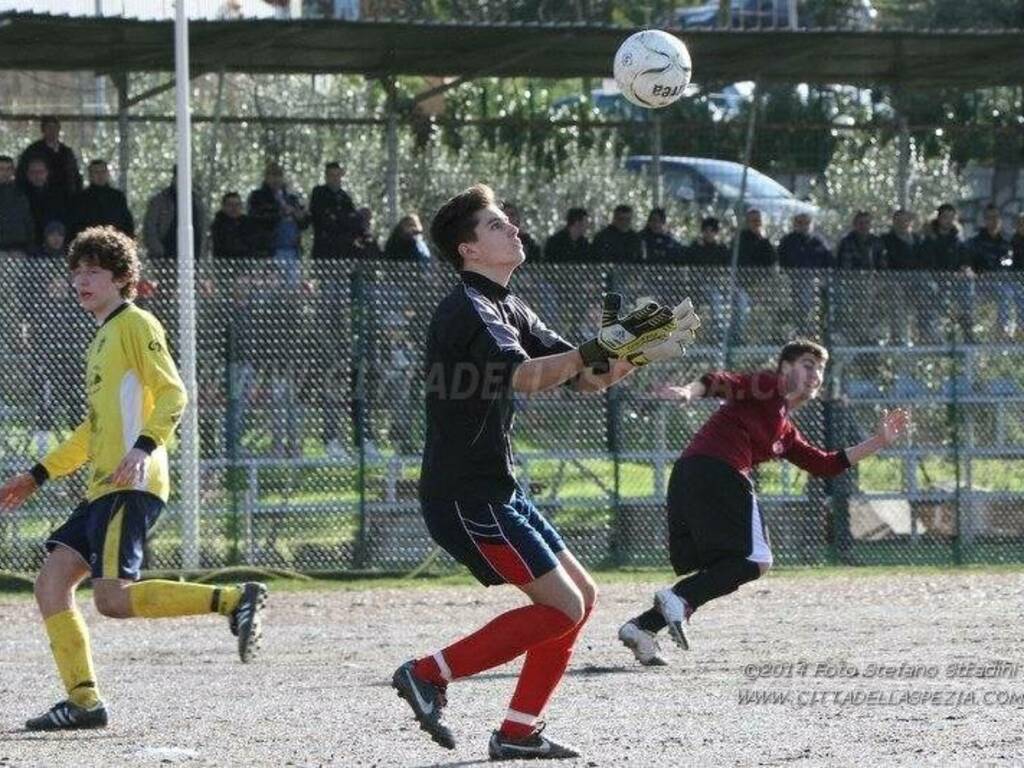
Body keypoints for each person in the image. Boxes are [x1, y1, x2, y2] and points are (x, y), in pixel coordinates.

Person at [391, 183, 696, 760]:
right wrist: (597, 346)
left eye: (509, 223)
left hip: (495, 487)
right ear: (468, 250)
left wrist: (632, 353)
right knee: (562, 607)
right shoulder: (470, 308)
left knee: (581, 595)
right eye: (496, 226)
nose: (513, 231)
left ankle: (518, 731)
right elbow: (528, 376)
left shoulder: (510, 304)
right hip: (466, 494)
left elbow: (584, 378)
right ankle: (428, 674)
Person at [0, 227, 267, 731]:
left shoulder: (135, 323)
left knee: (113, 599)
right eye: (77, 271)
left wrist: (144, 448)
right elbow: (92, 429)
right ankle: (83, 703)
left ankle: (233, 599)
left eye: (95, 271)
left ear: (122, 279)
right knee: (52, 583)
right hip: (102, 486)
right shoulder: (101, 338)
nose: (83, 279)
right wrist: (37, 474)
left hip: (131, 483)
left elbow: (174, 393)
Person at [617, 340, 908, 666]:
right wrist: (689, 391)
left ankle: (642, 627)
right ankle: (677, 601)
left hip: (692, 477)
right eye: (808, 365)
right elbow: (720, 381)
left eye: (821, 368)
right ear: (784, 368)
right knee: (757, 559)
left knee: (726, 567)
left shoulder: (785, 431)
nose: (816, 374)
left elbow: (825, 464)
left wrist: (879, 441)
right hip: (715, 471)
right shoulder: (770, 386)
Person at [247, 162, 309, 284]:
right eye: (272, 175)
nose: (275, 179)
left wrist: (298, 215)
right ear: (266, 177)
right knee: (269, 289)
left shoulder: (292, 198)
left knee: (290, 288)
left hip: (292, 251)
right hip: (270, 251)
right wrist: (280, 213)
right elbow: (256, 218)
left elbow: (304, 222)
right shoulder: (258, 197)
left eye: (278, 175)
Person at [969, 203, 1015, 337]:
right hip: (980, 284)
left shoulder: (1007, 242)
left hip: (1001, 282)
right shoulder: (975, 242)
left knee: (1006, 292)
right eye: (989, 218)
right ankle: (972, 332)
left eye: (996, 217)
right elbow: (970, 263)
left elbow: (1009, 263)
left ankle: (1003, 332)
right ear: (984, 220)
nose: (993, 221)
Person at [16, 116, 83, 206]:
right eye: (49, 128)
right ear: (43, 130)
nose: (52, 131)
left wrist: (77, 195)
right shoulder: (33, 151)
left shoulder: (67, 152)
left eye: (55, 128)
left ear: (59, 130)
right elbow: (22, 175)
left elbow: (75, 175)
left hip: (66, 200)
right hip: (39, 199)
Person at [142, 168, 206, 260]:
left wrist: (201, 251)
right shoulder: (160, 200)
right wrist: (158, 250)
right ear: (174, 178)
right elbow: (150, 227)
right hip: (166, 255)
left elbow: (202, 226)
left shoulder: (196, 200)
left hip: (193, 255)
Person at [67, 160, 134, 242]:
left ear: (107, 174)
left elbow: (127, 224)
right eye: (96, 172)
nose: (100, 175)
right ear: (90, 175)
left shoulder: (118, 197)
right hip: (89, 245)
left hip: (114, 244)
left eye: (103, 172)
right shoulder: (80, 199)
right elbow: (75, 227)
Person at [309, 161, 357, 260]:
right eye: (331, 175)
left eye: (337, 175)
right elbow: (321, 216)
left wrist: (338, 217)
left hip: (342, 249)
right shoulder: (319, 193)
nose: (335, 179)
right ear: (326, 177)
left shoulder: (345, 198)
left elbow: (352, 220)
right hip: (323, 247)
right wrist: (339, 218)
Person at [22, 157, 67, 247]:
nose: (37, 175)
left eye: (41, 172)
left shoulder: (59, 195)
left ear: (47, 173)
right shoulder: (20, 194)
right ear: (28, 174)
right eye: (33, 172)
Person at [0, 153, 34, 255]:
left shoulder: (20, 194)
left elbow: (28, 220)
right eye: (1, 169)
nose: (5, 173)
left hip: (18, 248)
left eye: (8, 169)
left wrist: (29, 245)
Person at [210, 191, 256, 260]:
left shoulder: (248, 223)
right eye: (230, 205)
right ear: (223, 206)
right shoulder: (218, 224)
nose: (234, 208)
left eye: (237, 205)